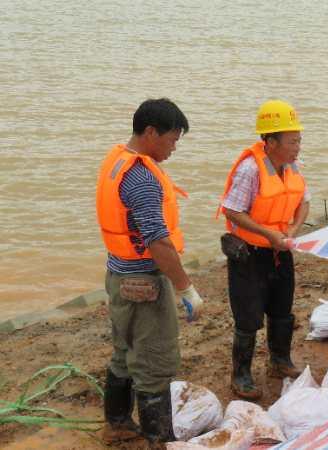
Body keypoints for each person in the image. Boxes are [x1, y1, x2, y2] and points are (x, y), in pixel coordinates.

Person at [96, 98, 205, 445]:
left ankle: (116, 424)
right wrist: (185, 287)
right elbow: (157, 241)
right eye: (172, 139)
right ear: (150, 132)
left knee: (123, 352)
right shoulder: (141, 178)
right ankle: (160, 440)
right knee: (154, 365)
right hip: (144, 284)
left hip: (118, 276)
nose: (174, 148)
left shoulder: (117, 161)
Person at [219, 99, 309, 400]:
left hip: (280, 249)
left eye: (298, 140)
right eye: (292, 141)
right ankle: (241, 375)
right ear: (270, 142)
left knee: (282, 310)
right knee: (248, 316)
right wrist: (267, 233)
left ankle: (279, 361)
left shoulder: (292, 165)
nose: (297, 147)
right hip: (250, 254)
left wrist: (291, 232)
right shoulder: (250, 169)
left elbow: (304, 203)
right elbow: (232, 210)